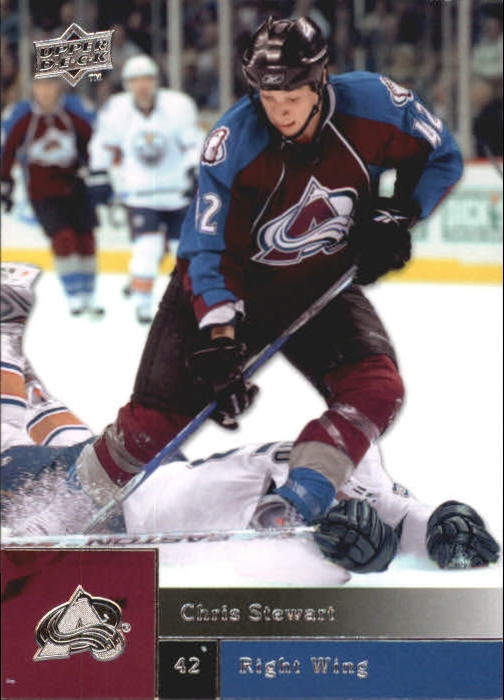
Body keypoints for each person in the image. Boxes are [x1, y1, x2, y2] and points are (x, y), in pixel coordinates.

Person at [71, 17, 464, 542]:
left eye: (292, 98)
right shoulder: (233, 143)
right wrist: (219, 336)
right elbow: (206, 248)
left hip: (318, 286)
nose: (280, 112)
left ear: (321, 81)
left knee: (376, 386)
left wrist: (398, 214)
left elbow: (440, 155)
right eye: (268, 98)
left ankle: (298, 500)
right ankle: (68, 498)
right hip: (229, 289)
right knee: (153, 425)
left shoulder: (376, 105)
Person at [0, 264, 499, 576]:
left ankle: (29, 382)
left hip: (156, 485)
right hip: (122, 501)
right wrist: (330, 547)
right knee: (10, 451)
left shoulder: (362, 468)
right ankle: (6, 331)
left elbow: (398, 514)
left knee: (62, 448)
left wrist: (445, 528)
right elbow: (280, 536)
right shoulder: (310, 474)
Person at [87, 54, 205, 324]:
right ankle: (142, 304)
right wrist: (99, 173)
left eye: (147, 79)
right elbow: (103, 143)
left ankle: (189, 301)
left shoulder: (178, 106)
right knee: (147, 248)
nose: (142, 85)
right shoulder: (116, 110)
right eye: (135, 80)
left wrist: (194, 170)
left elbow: (194, 142)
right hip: (140, 196)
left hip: (176, 193)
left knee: (182, 251)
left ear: (156, 81)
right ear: (127, 84)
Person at [1, 78, 104, 317]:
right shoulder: (24, 118)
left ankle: (90, 295)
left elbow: (92, 143)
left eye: (50, 85)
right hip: (42, 192)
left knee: (86, 240)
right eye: (40, 86)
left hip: (75, 188)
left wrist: (97, 172)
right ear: (33, 89)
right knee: (63, 239)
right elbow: (8, 151)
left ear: (58, 87)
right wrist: (5, 182)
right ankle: (74, 295)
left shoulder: (72, 114)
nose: (45, 91)